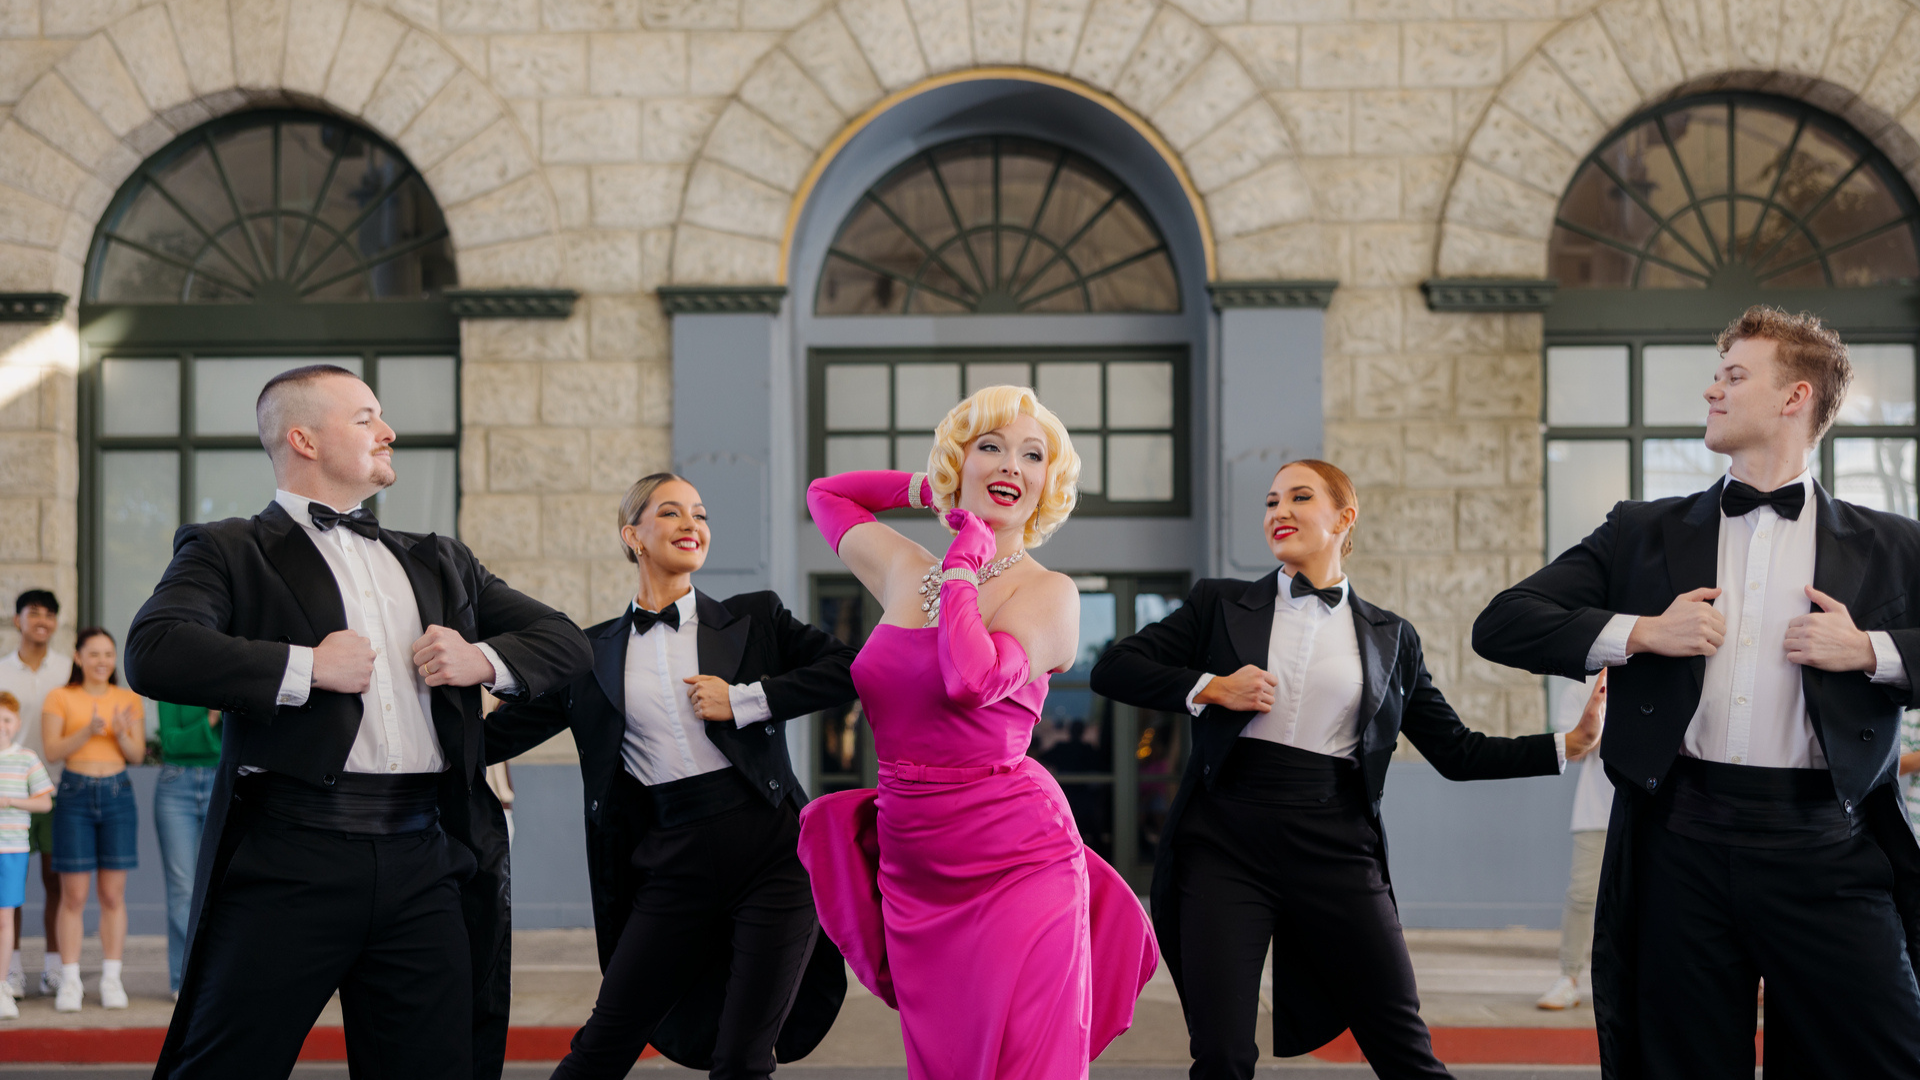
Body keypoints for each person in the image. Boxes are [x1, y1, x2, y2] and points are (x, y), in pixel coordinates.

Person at [1473, 306, 1920, 1078]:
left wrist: (1870, 650)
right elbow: (1503, 623)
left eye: (1733, 375)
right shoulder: (1641, 530)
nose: (1711, 390)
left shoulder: (1894, 545)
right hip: (1679, 843)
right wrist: (1642, 632)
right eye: (1716, 374)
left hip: (1830, 848)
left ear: (1796, 397)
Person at [124, 364, 592, 1080]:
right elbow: (155, 650)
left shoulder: (441, 560)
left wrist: (482, 658)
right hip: (290, 854)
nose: (389, 431)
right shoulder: (228, 548)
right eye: (366, 417)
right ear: (304, 439)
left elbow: (566, 642)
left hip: (423, 858)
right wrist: (309, 667)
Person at [1087, 459, 1601, 1079]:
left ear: (1344, 517)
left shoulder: (1393, 637)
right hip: (1223, 840)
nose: (1279, 511)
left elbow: (1457, 751)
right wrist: (1210, 686)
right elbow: (1114, 666)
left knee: (1402, 1042)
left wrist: (1566, 744)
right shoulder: (1219, 605)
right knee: (1222, 1054)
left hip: (1335, 841)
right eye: (1272, 501)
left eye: (1300, 497)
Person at [797, 386, 1159, 1080]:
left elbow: (972, 680)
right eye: (990, 447)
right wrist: (929, 491)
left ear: (1048, 483)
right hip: (916, 865)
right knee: (949, 1064)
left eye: (1033, 455)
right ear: (959, 463)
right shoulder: (906, 571)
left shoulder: (1049, 592)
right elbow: (826, 495)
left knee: (1024, 1063)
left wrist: (964, 563)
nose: (1011, 466)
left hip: (1018, 858)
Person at [486, 472, 859, 1080]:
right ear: (632, 535)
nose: (693, 524)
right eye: (671, 513)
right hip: (670, 859)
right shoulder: (587, 654)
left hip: (773, 853)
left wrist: (748, 699)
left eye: (701, 514)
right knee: (603, 1043)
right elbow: (498, 735)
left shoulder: (753, 618)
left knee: (742, 1059)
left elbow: (850, 668)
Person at [40, 627, 144, 1013]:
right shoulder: (60, 697)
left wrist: (118, 732)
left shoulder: (127, 699)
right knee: (74, 895)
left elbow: (135, 755)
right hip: (74, 795)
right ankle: (70, 981)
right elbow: (53, 751)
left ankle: (111, 979)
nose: (102, 661)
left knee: (112, 895)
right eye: (94, 654)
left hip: (118, 794)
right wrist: (88, 729)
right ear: (78, 657)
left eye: (108, 654)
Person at [0, 589, 68, 998]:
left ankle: (55, 967)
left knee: (56, 881)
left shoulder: (67, 670)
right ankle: (12, 969)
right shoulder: (2, 671)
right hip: (12, 793)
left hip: (60, 790)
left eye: (49, 614)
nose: (42, 620)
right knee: (12, 886)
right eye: (34, 613)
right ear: (17, 620)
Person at [1538, 675, 1609, 1011]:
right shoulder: (1582, 687)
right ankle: (1569, 977)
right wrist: (1594, 716)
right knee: (1582, 895)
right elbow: (1574, 752)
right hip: (1598, 809)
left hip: (1661, 810)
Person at [153, 700, 219, 999]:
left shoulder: (230, 674)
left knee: (221, 886)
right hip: (175, 783)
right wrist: (212, 722)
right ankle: (184, 980)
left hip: (223, 779)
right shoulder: (173, 680)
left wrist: (202, 726)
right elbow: (171, 743)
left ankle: (216, 977)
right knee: (182, 889)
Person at [0, 691, 51, 1020]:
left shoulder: (27, 758)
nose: (1, 726)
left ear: (17, 723)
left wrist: (10, 802)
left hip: (12, 851)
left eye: (6, 719)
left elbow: (45, 802)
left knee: (5, 920)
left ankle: (2, 984)